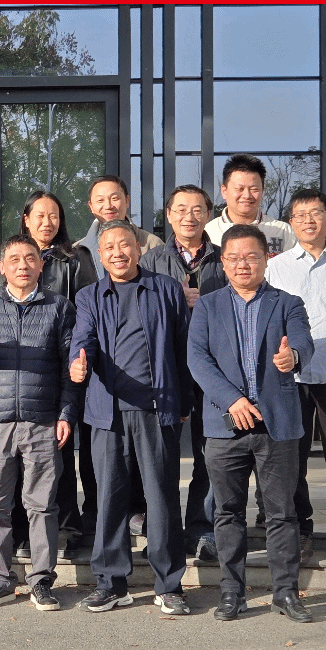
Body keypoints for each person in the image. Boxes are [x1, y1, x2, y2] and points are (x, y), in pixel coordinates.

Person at [187, 224, 315, 623]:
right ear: (223, 262)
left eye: (251, 257)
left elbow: (304, 342)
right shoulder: (208, 306)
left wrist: (292, 357)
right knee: (227, 514)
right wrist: (232, 399)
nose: (243, 264)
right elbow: (197, 359)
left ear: (266, 259)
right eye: (234, 258)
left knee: (282, 513)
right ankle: (232, 593)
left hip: (276, 424)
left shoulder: (287, 303)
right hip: (226, 425)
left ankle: (285, 593)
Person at [69, 220, 191, 615]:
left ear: (138, 249)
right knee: (109, 498)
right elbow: (83, 339)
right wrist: (77, 362)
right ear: (100, 255)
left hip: (157, 409)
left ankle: (169, 584)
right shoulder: (89, 295)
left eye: (125, 245)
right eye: (109, 247)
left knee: (161, 498)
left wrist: (184, 403)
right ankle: (110, 583)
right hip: (107, 412)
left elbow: (183, 348)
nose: (118, 253)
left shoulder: (166, 289)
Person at [0, 234, 77, 610]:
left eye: (30, 258)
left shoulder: (59, 307)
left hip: (42, 419)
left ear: (41, 265)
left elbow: (71, 367)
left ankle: (41, 581)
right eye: (14, 259)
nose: (23, 265)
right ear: (2, 267)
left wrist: (66, 413)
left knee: (42, 504)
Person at [265, 188, 326, 566]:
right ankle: (300, 529)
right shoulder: (276, 267)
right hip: (292, 376)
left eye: (316, 213)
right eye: (300, 215)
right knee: (292, 459)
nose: (308, 221)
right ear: (291, 222)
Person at [140, 184, 227, 563]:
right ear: (169, 215)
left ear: (208, 214)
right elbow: (139, 311)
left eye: (197, 210)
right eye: (180, 210)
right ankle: (162, 531)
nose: (189, 217)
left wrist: (202, 302)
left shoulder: (225, 259)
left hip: (214, 367)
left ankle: (202, 528)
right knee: (161, 454)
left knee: (211, 451)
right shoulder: (151, 260)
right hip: (166, 368)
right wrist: (176, 299)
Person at [17, 190, 98, 556]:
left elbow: (89, 310)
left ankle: (70, 525)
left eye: (54, 216)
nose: (47, 222)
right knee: (26, 450)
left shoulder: (75, 259)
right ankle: (27, 526)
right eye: (40, 215)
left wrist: (79, 356)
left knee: (62, 446)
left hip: (66, 363)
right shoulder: (14, 255)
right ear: (26, 219)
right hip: (25, 365)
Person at [202, 154, 297, 256]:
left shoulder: (283, 232)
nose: (247, 195)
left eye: (254, 189)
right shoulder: (208, 233)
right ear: (224, 191)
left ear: (262, 191)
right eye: (239, 189)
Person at [75, 176, 163, 278]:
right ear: (91, 206)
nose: (108, 206)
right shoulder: (77, 250)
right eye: (100, 200)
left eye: (114, 198)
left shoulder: (152, 244)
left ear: (127, 201)